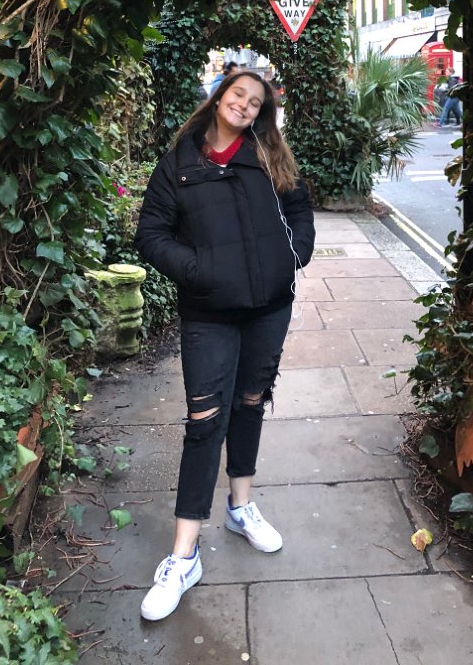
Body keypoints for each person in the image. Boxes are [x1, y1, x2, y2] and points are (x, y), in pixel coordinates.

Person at [133, 71, 315, 622]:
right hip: (210, 313)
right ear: (218, 98)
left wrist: (293, 256)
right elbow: (151, 234)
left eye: (256, 102)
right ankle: (183, 557)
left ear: (261, 113)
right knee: (204, 422)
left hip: (268, 309)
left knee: (250, 403)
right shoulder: (180, 163)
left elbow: (299, 209)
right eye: (238, 94)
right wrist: (199, 271)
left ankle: (241, 506)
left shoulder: (267, 154)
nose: (245, 105)